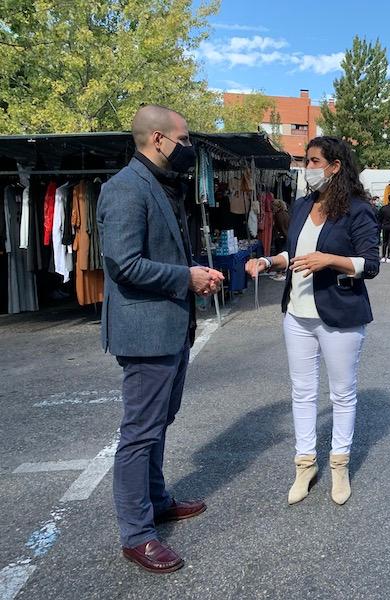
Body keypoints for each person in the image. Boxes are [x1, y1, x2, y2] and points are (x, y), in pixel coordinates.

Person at [97, 105, 224, 573]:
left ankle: (155, 499)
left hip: (171, 326)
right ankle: (137, 534)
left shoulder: (166, 186)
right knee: (139, 432)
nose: (189, 148)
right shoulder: (125, 188)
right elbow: (123, 264)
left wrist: (194, 275)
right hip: (146, 333)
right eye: (184, 140)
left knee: (159, 422)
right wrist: (185, 278)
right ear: (157, 138)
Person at [245, 136, 379, 506]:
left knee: (342, 394)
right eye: (307, 161)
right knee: (302, 393)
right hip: (297, 313)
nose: (308, 168)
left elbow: (370, 264)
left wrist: (329, 260)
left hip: (340, 313)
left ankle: (339, 466)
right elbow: (295, 253)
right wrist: (269, 262)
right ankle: (305, 465)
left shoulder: (357, 209)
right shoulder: (302, 205)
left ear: (335, 167)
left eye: (315, 161)